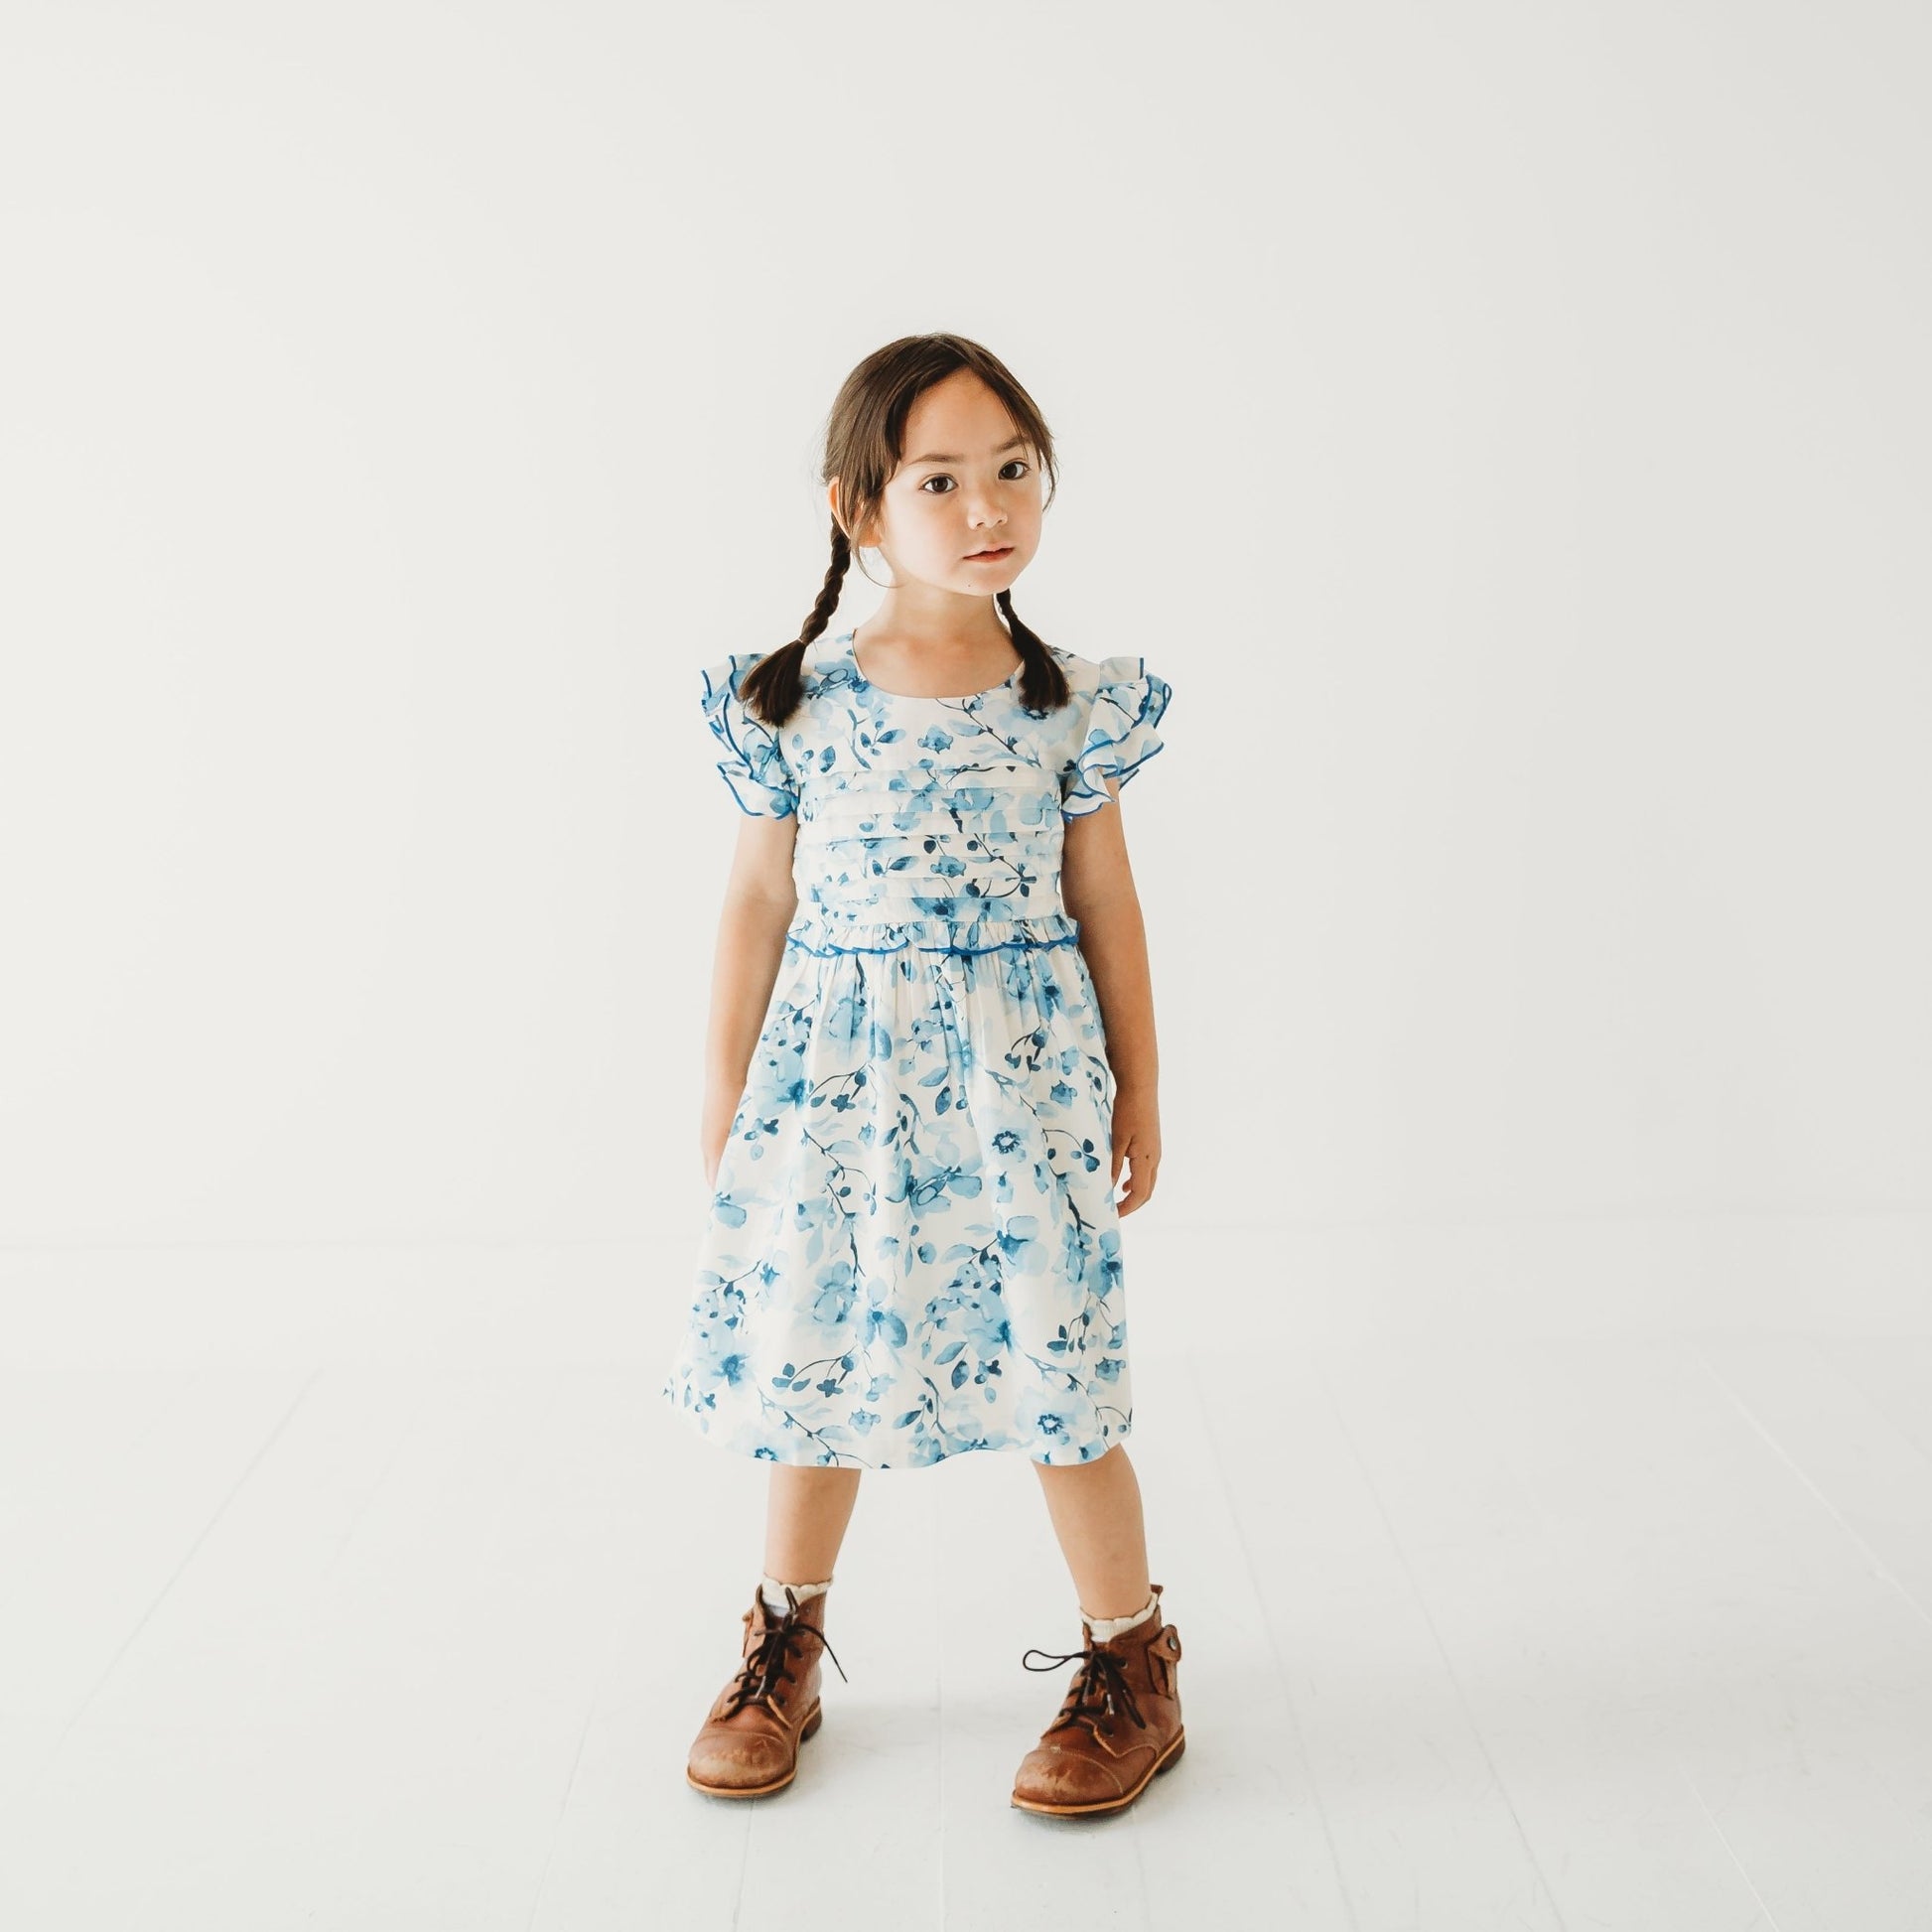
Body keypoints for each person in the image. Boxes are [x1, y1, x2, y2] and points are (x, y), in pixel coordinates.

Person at [661, 333, 1182, 1819]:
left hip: (1020, 1090)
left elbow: (1108, 905)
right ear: (856, 507)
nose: (982, 507)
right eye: (937, 479)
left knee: (1061, 1371)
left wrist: (1140, 1088)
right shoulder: (794, 698)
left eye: (1010, 469)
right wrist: (723, 1086)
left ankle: (1130, 1657)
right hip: (834, 1085)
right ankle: (783, 1640)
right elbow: (757, 901)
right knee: (816, 1366)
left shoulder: (1068, 700)